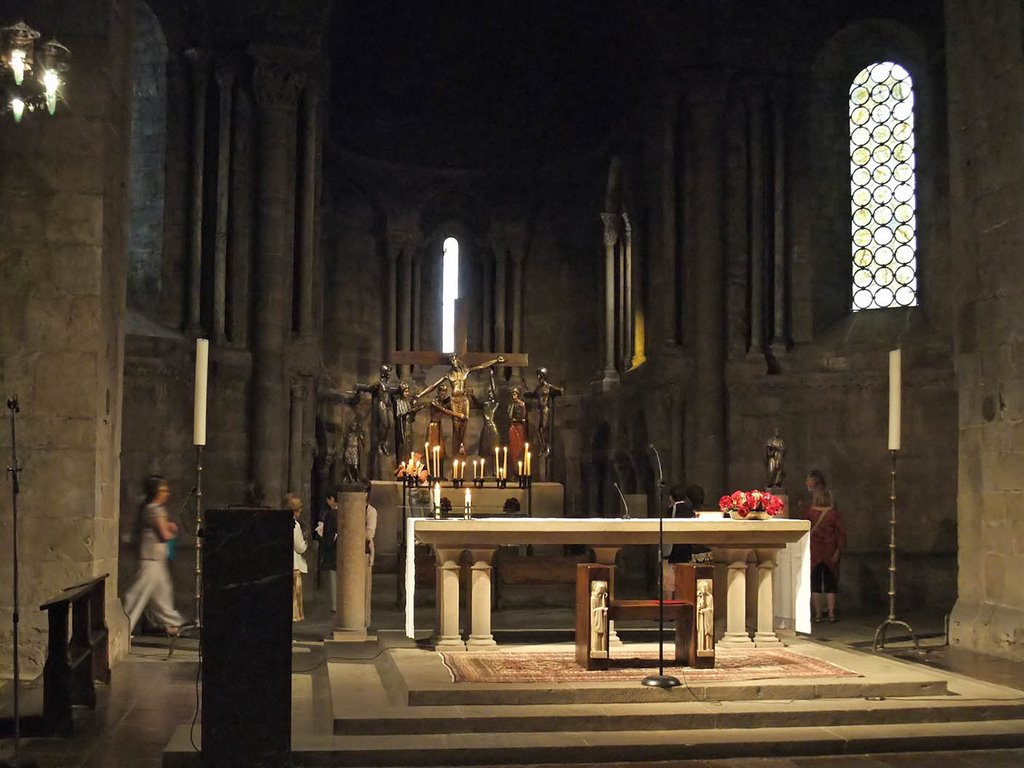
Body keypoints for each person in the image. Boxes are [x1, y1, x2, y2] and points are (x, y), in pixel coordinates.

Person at [123, 475, 184, 636]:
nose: (167, 493)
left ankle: (173, 624)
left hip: (157, 559)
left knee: (162, 596)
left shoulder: (155, 510)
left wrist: (167, 525)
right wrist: (171, 529)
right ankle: (122, 627)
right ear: (156, 491)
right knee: (137, 595)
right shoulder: (153, 509)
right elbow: (164, 535)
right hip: (149, 560)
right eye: (164, 490)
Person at [418, 353, 505, 456]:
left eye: (454, 360)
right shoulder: (449, 374)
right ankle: (457, 444)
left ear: (458, 360)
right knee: (456, 424)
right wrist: (420, 395)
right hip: (454, 400)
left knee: (466, 419)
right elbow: (434, 385)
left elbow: (481, 366)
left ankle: (461, 444)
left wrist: (496, 360)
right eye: (451, 361)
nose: (453, 363)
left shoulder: (465, 371)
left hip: (464, 399)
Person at [802, 471, 847, 623]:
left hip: (814, 552)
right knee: (830, 585)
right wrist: (838, 550)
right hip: (830, 553)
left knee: (815, 584)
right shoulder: (833, 514)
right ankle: (832, 613)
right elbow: (841, 533)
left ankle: (818, 615)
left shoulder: (810, 513)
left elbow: (804, 531)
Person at [662, 484, 696, 598]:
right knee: (684, 581)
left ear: (671, 497)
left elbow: (665, 530)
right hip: (686, 550)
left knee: (670, 583)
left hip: (673, 551)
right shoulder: (690, 510)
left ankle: (670, 604)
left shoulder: (672, 510)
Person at [316, 491, 340, 612]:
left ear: (332, 499)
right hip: (345, 554)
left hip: (333, 553)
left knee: (334, 581)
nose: (327, 502)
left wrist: (321, 536)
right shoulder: (347, 512)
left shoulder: (331, 515)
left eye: (328, 499)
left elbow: (328, 536)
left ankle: (336, 606)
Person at [288, 493, 308, 622]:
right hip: (294, 566)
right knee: (293, 601)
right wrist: (306, 540)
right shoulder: (294, 525)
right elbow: (300, 547)